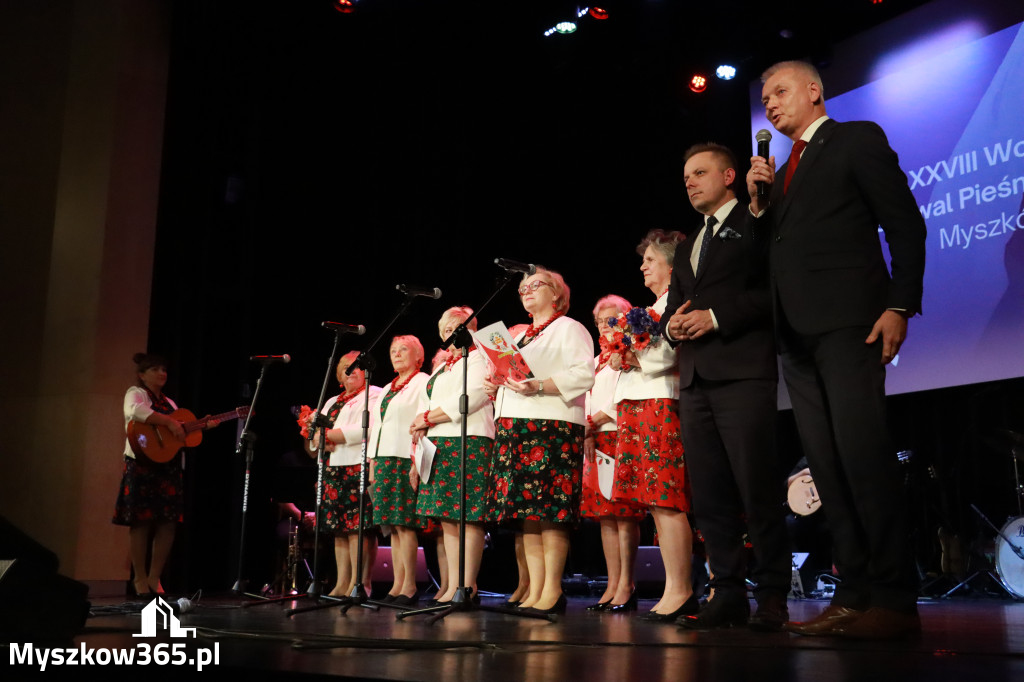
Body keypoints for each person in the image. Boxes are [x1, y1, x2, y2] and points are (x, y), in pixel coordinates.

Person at [746, 60, 926, 639]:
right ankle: (853, 594)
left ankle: (894, 600)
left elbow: (906, 225)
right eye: (764, 96)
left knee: (863, 457)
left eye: (780, 91)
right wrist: (758, 207)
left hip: (851, 325)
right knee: (824, 466)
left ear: (815, 91)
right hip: (795, 336)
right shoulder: (780, 172)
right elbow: (776, 252)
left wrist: (899, 304)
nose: (769, 103)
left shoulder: (856, 139)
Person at [663, 143, 790, 631]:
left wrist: (716, 317)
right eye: (686, 176)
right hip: (694, 380)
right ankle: (728, 592)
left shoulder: (756, 220)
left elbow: (771, 291)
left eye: (700, 172)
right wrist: (672, 327)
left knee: (756, 488)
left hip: (742, 374)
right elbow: (676, 306)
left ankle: (773, 594)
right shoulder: (691, 240)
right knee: (710, 495)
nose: (690, 181)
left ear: (730, 175)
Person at [484, 267, 595, 614]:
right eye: (522, 288)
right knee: (527, 514)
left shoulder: (570, 328)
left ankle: (552, 590)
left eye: (535, 285)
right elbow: (515, 375)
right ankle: (534, 590)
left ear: (557, 294)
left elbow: (584, 373)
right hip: (516, 426)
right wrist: (498, 385)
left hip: (551, 426)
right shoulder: (520, 338)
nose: (526, 291)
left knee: (550, 511)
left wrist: (539, 385)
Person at [608, 230, 696, 622]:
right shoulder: (649, 308)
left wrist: (630, 354)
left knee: (666, 497)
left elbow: (665, 357)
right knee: (653, 501)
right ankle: (672, 587)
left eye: (651, 259)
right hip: (637, 403)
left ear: (672, 267)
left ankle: (682, 588)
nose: (642, 265)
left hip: (660, 401)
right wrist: (621, 354)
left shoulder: (675, 303)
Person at [408, 306, 495, 605]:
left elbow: (470, 399)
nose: (450, 334)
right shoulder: (442, 366)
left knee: (468, 517)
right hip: (439, 443)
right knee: (447, 519)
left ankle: (467, 586)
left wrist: (428, 418)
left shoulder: (481, 357)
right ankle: (452, 585)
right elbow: (424, 403)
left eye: (456, 328)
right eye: (446, 329)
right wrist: (422, 421)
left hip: (469, 439)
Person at [113, 352, 216, 597]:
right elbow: (135, 411)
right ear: (142, 374)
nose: (162, 373)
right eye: (155, 370)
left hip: (168, 468)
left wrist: (202, 425)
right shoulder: (136, 393)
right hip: (142, 466)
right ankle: (138, 578)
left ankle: (154, 577)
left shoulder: (170, 404)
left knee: (168, 523)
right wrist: (169, 423)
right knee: (141, 522)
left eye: (164, 370)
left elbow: (180, 437)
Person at [581, 294, 647, 612]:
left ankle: (627, 584)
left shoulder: (631, 353)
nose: (602, 328)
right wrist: (588, 426)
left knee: (624, 516)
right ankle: (611, 583)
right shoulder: (596, 361)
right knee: (605, 517)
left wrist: (596, 420)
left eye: (609, 321)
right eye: (598, 322)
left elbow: (624, 399)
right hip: (598, 440)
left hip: (622, 437)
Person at [367, 336, 431, 605]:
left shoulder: (423, 381)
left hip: (405, 457)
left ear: (419, 355)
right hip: (383, 459)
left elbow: (424, 423)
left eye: (403, 349)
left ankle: (409, 586)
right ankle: (395, 585)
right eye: (393, 350)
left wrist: (417, 461)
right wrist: (372, 463)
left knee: (405, 524)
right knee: (391, 526)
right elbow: (375, 427)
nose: (397, 354)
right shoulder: (387, 388)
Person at [313, 351, 382, 597]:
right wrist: (318, 438)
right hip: (332, 467)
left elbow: (371, 427)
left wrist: (333, 435)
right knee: (339, 529)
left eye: (356, 367)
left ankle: (360, 583)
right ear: (338, 375)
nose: (350, 371)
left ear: (365, 371)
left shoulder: (374, 394)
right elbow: (315, 432)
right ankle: (341, 583)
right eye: (345, 367)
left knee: (359, 528)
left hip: (358, 465)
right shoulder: (332, 401)